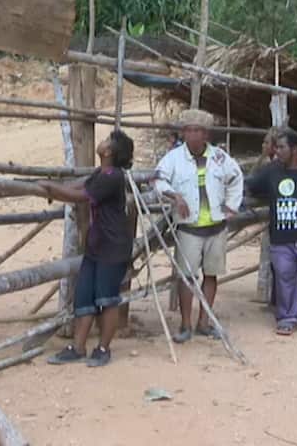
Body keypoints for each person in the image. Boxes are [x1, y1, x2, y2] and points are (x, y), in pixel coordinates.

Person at [42, 130, 136, 367]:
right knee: (84, 297)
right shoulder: (101, 173)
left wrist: (51, 189)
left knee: (107, 299)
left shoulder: (112, 177)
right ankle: (78, 347)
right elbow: (81, 184)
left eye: (107, 141)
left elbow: (82, 196)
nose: (102, 141)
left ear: (109, 151)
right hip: (97, 246)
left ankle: (103, 348)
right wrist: (54, 188)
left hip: (112, 248)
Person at [153, 109, 244, 343]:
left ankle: (204, 321)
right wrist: (175, 196)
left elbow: (236, 179)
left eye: (199, 131)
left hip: (216, 226)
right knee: (186, 277)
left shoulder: (220, 158)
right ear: (183, 133)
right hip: (189, 228)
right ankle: (185, 324)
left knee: (211, 274)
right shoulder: (173, 159)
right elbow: (159, 179)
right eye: (190, 130)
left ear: (206, 135)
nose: (194, 135)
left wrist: (231, 207)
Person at [246, 128, 297, 336]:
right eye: (277, 147)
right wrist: (264, 158)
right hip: (281, 239)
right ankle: (287, 318)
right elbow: (251, 184)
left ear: (294, 149)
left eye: (282, 147)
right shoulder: (272, 171)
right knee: (284, 277)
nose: (278, 151)